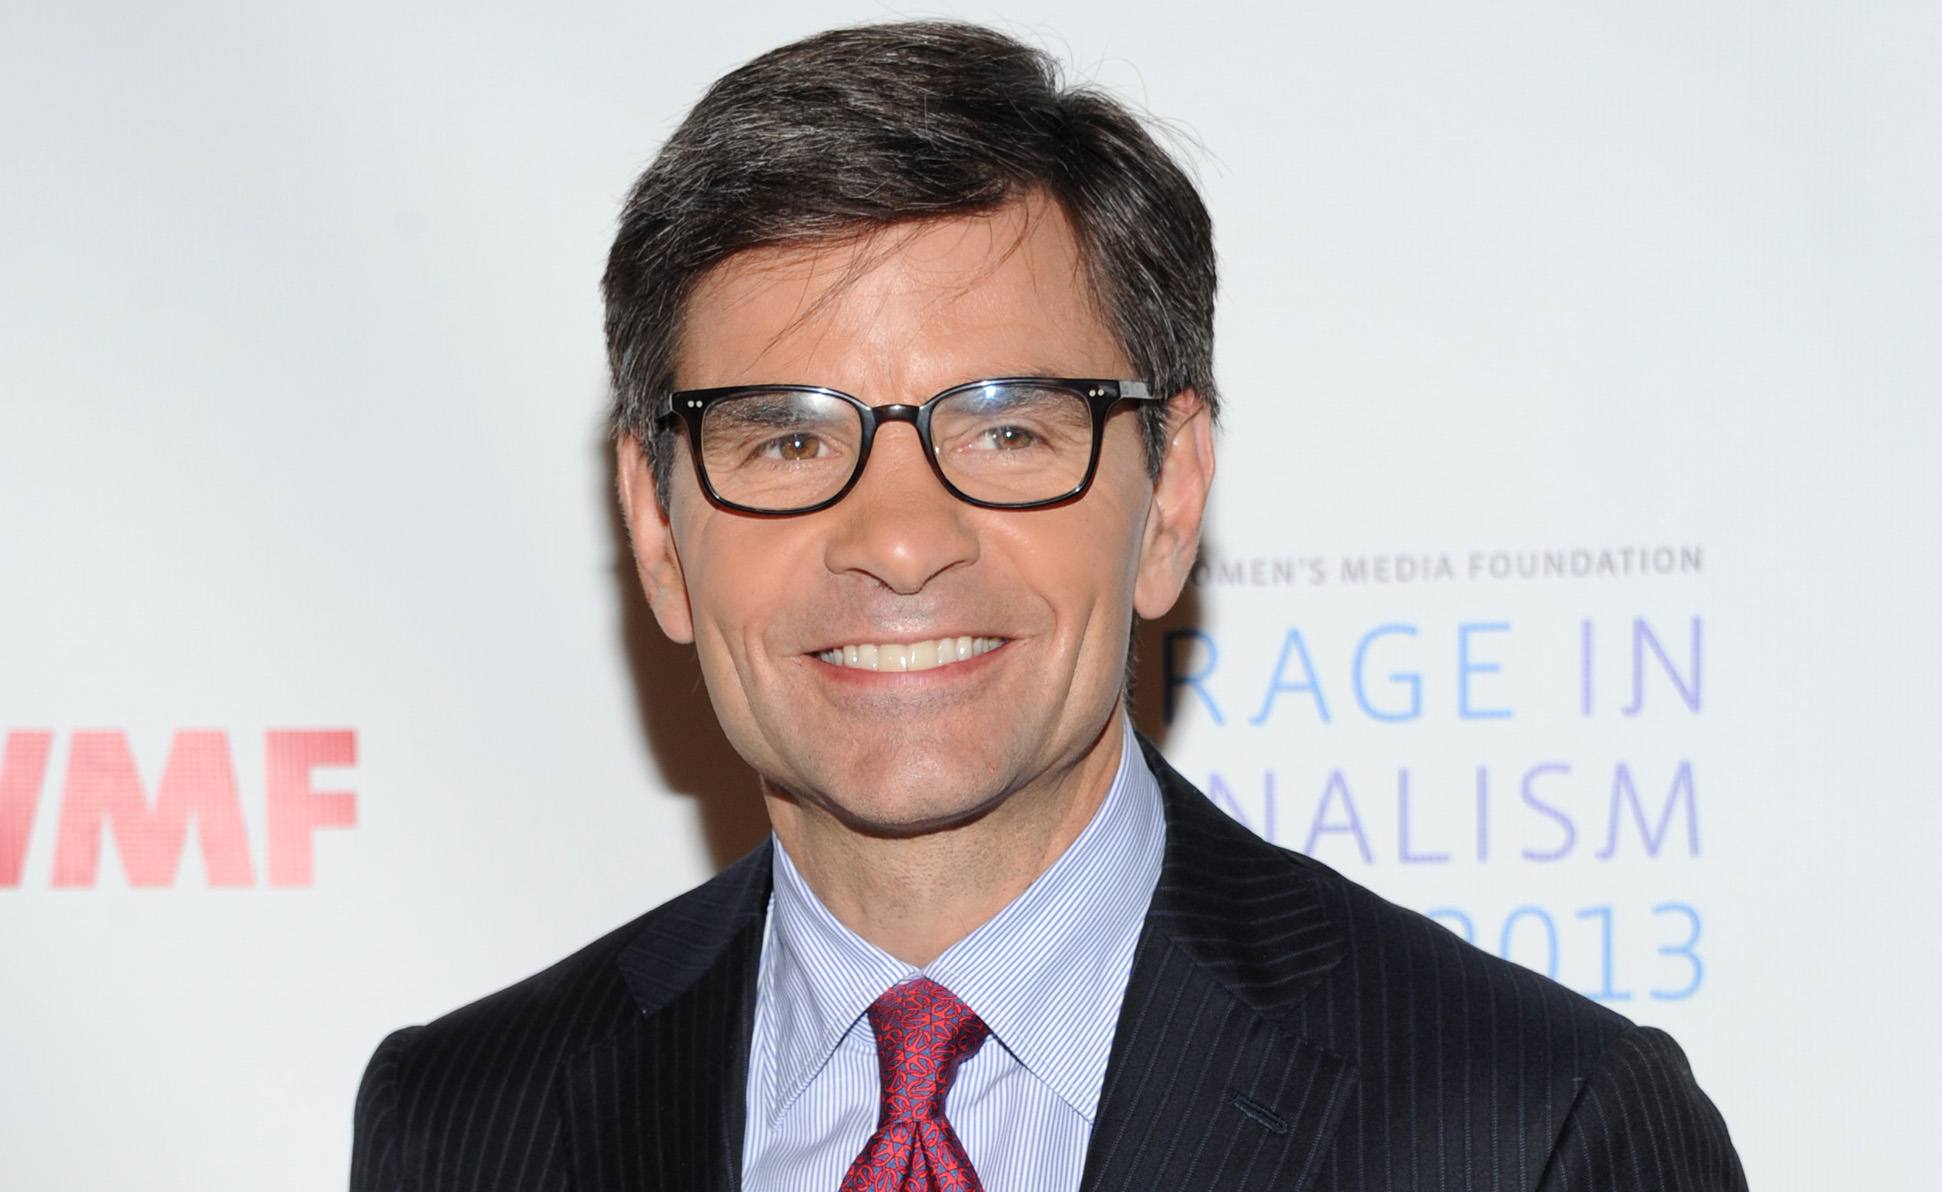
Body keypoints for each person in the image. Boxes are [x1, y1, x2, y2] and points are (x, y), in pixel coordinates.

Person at [351, 21, 1744, 1192]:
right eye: (786, 438)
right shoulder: (465, 1128)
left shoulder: (1528, 1128)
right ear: (658, 528)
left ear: (1171, 495)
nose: (899, 542)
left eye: (1006, 429)